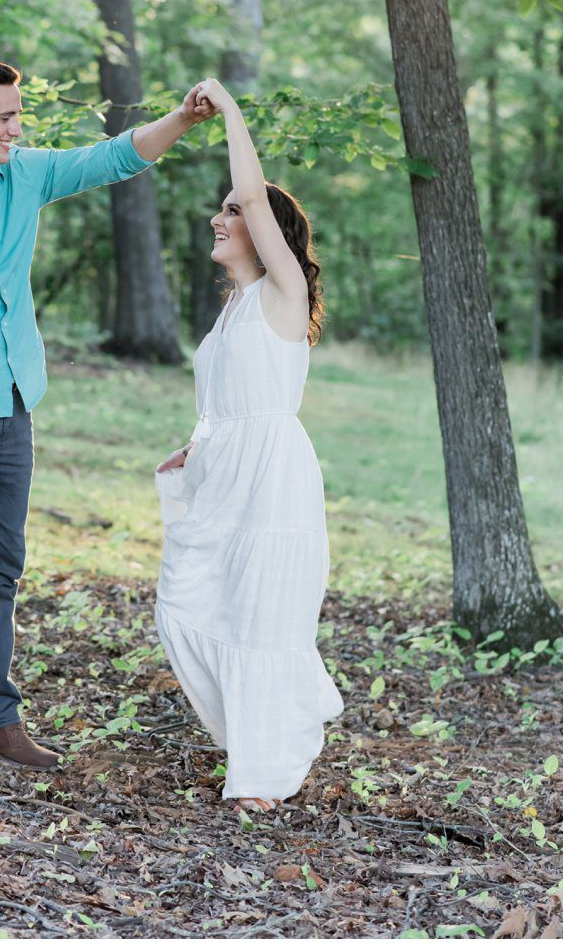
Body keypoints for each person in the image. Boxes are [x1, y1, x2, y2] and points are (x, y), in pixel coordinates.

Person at [0, 56, 216, 778]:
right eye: (6, 117)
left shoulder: (21, 175)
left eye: (17, 117)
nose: (17, 128)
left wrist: (181, 118)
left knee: (2, 567)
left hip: (13, 401)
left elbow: (112, 158)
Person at [154, 77, 342, 814]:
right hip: (224, 474)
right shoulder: (232, 309)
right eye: (224, 209)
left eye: (232, 212)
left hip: (272, 482)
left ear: (268, 234)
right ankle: (269, 733)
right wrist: (193, 448)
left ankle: (258, 777)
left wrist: (229, 111)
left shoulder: (280, 290)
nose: (220, 216)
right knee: (189, 604)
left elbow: (255, 196)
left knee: (262, 616)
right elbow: (225, 401)